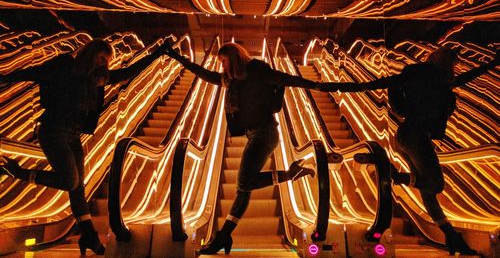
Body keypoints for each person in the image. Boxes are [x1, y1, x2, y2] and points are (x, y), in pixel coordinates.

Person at [0, 38, 170, 255]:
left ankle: (89, 235)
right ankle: (15, 171)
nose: (104, 64)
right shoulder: (64, 66)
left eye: (107, 61)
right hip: (52, 131)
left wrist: (157, 55)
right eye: (101, 58)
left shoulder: (97, 79)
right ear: (89, 54)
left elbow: (127, 72)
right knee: (70, 181)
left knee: (78, 187)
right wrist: (5, 77)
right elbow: (34, 72)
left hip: (72, 136)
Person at [322, 47, 498, 255]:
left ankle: (452, 238)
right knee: (435, 184)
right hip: (415, 136)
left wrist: (400, 107)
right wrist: (492, 64)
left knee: (428, 193)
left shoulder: (419, 75)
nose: (455, 69)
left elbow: (388, 85)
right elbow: (464, 79)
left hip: (408, 134)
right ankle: (395, 176)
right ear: (447, 64)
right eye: (453, 64)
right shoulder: (438, 80)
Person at [165, 42, 321, 255]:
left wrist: (317, 86)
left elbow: (286, 79)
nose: (222, 65)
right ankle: (223, 236)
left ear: (234, 58)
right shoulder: (230, 80)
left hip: (265, 134)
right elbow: (204, 74)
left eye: (224, 60)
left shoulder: (257, 71)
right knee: (243, 188)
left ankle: (289, 175)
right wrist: (179, 58)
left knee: (244, 183)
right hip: (254, 135)